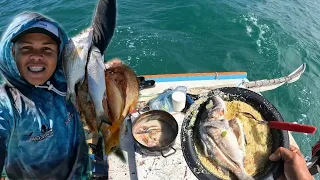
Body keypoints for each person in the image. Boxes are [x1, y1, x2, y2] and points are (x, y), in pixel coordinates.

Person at [0, 0, 116, 179]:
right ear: (12, 52)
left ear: (58, 54)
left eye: (47, 49)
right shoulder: (7, 103)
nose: (37, 56)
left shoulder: (65, 77)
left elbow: (100, 36)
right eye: (26, 48)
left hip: (80, 170)